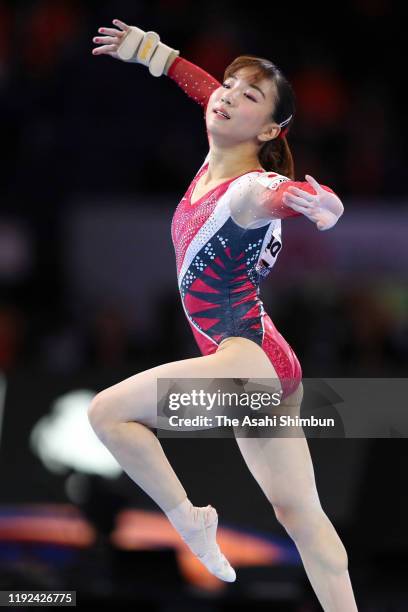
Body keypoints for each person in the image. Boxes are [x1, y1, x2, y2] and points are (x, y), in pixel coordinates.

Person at [88, 19, 358, 610]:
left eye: (249, 95)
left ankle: (190, 524)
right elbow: (208, 89)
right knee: (301, 518)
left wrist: (320, 204)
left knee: (107, 413)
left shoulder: (246, 187)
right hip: (263, 364)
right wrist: (156, 55)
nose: (229, 95)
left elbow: (273, 196)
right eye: (230, 86)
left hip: (247, 362)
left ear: (270, 129)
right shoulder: (221, 153)